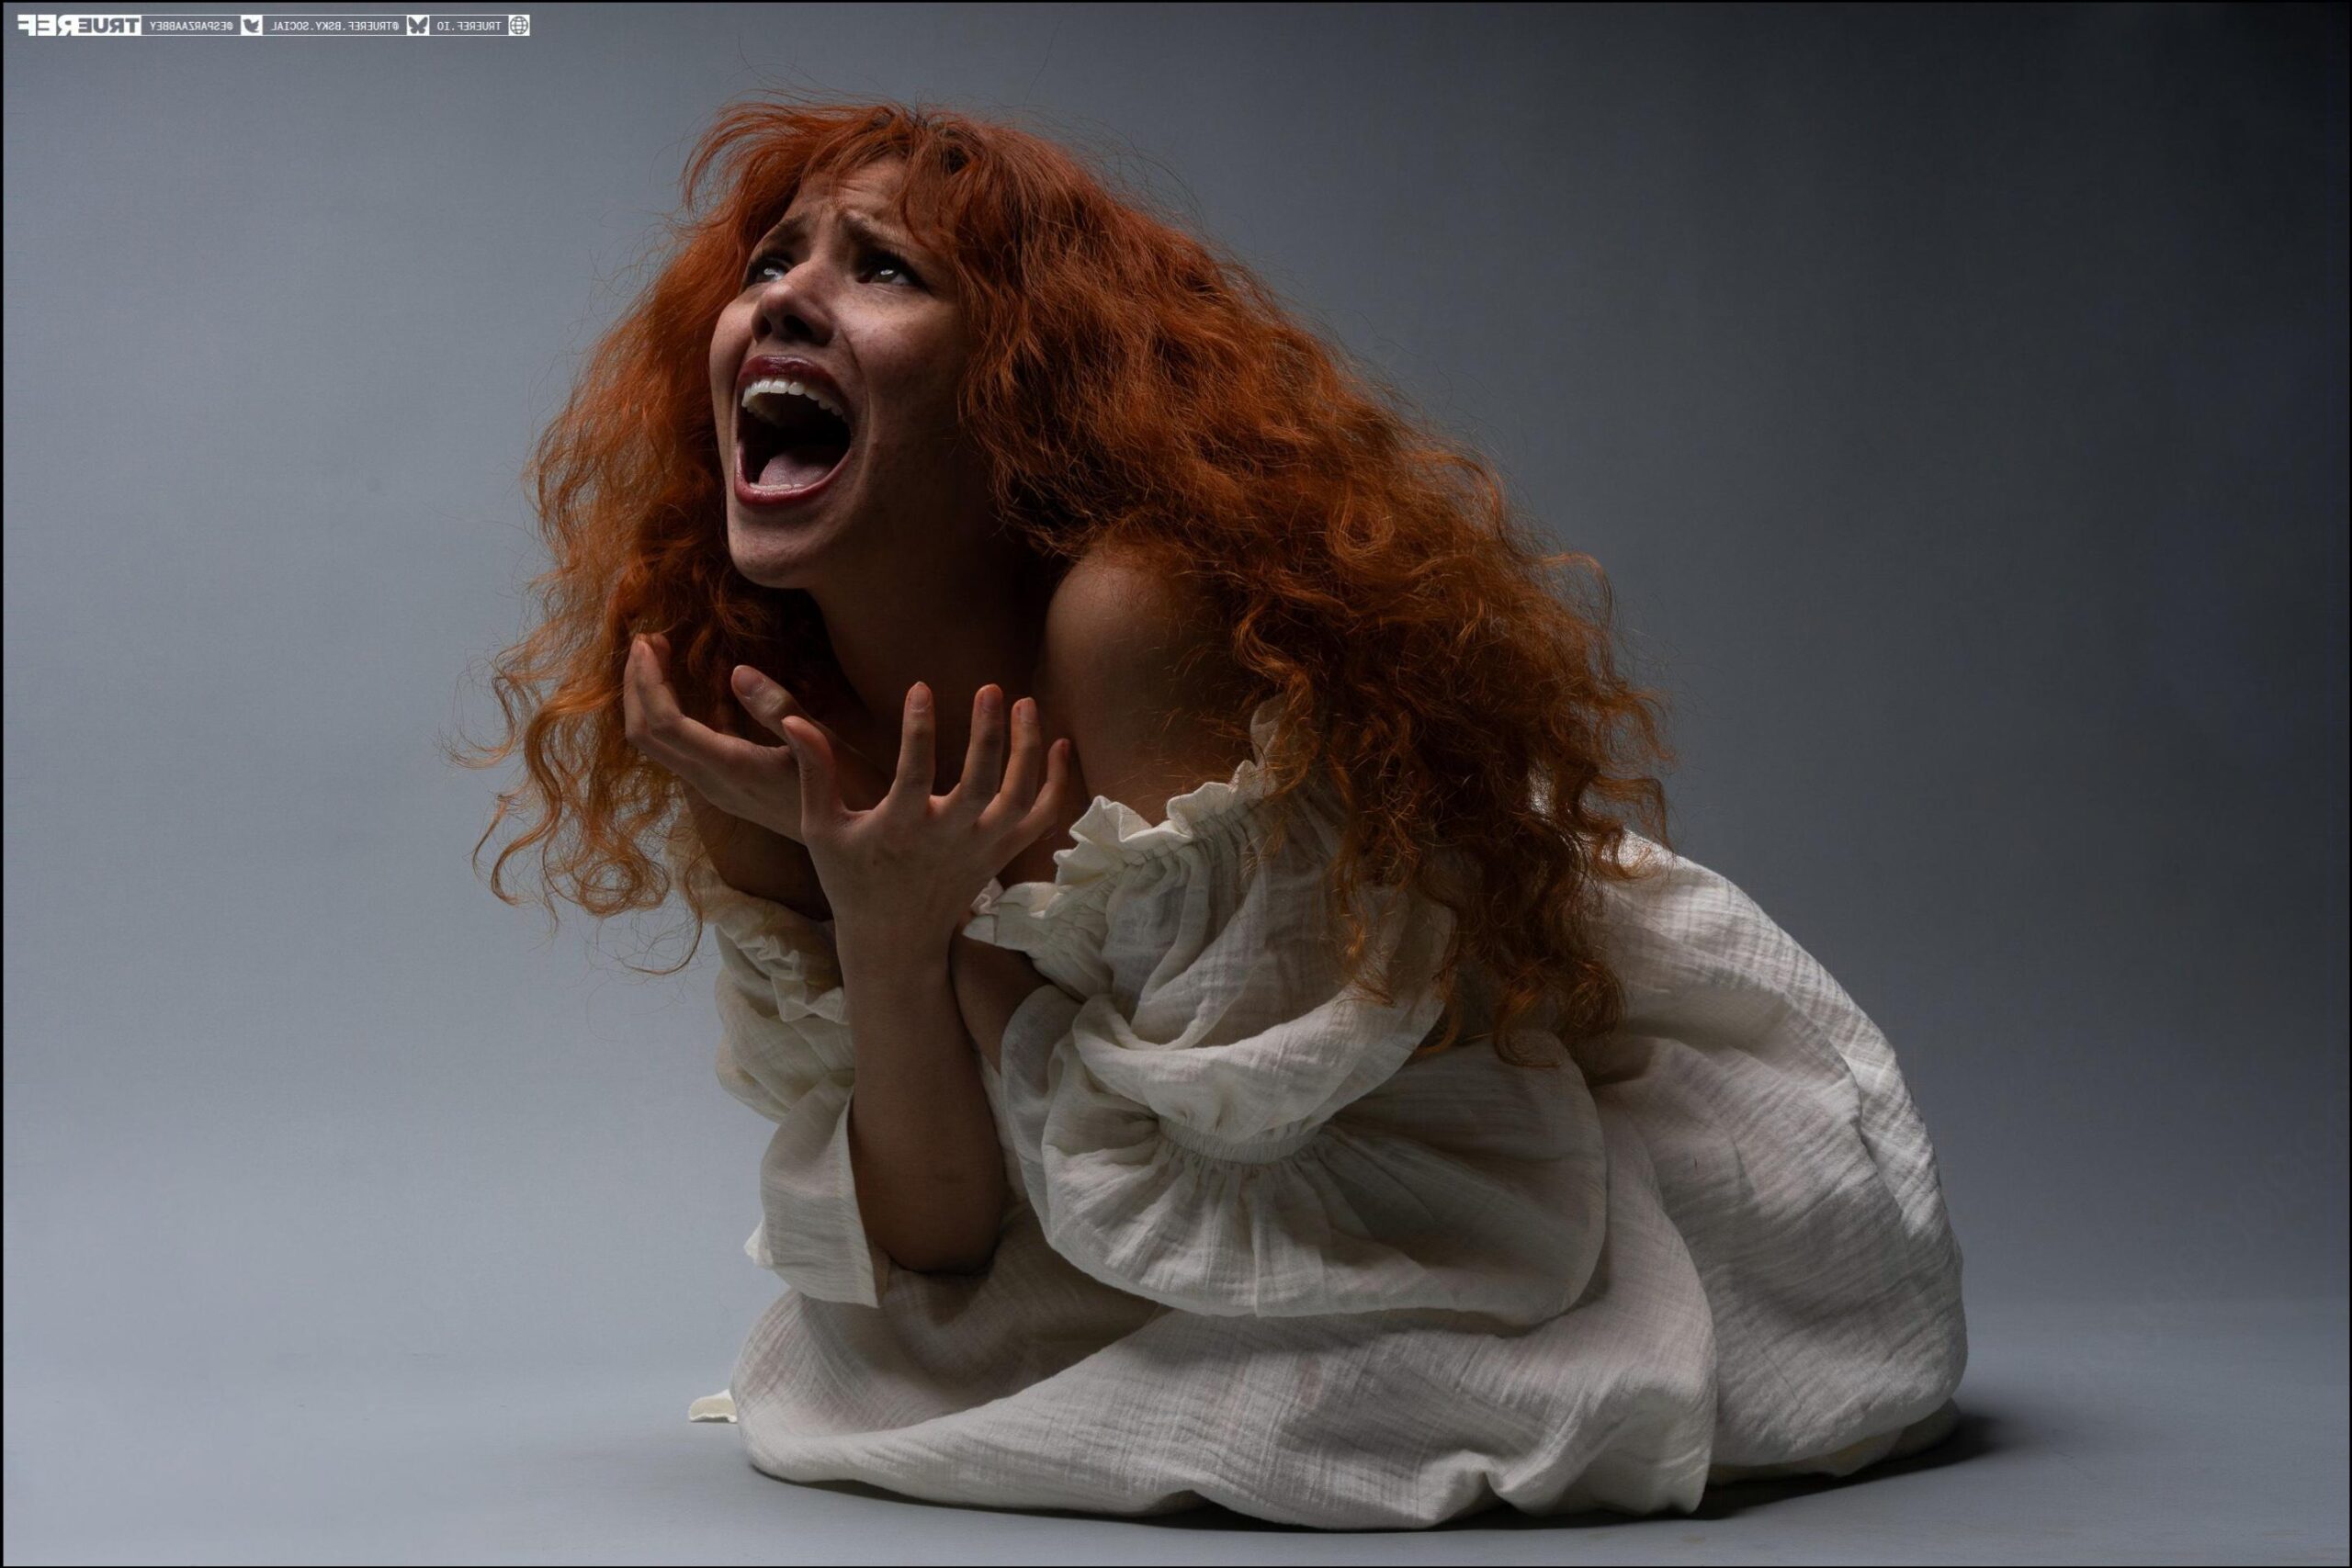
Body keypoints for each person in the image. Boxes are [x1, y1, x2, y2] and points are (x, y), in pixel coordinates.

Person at [459, 96, 1967, 1529]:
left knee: (1310, 1388)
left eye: (884, 270)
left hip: (1494, 1143)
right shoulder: (760, 722)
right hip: (1182, 1200)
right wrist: (881, 922)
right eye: (773, 261)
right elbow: (937, 1242)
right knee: (912, 1358)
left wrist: (950, 934)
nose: (785, 297)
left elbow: (1256, 1189)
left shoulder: (1134, 626)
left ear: (1016, 387)